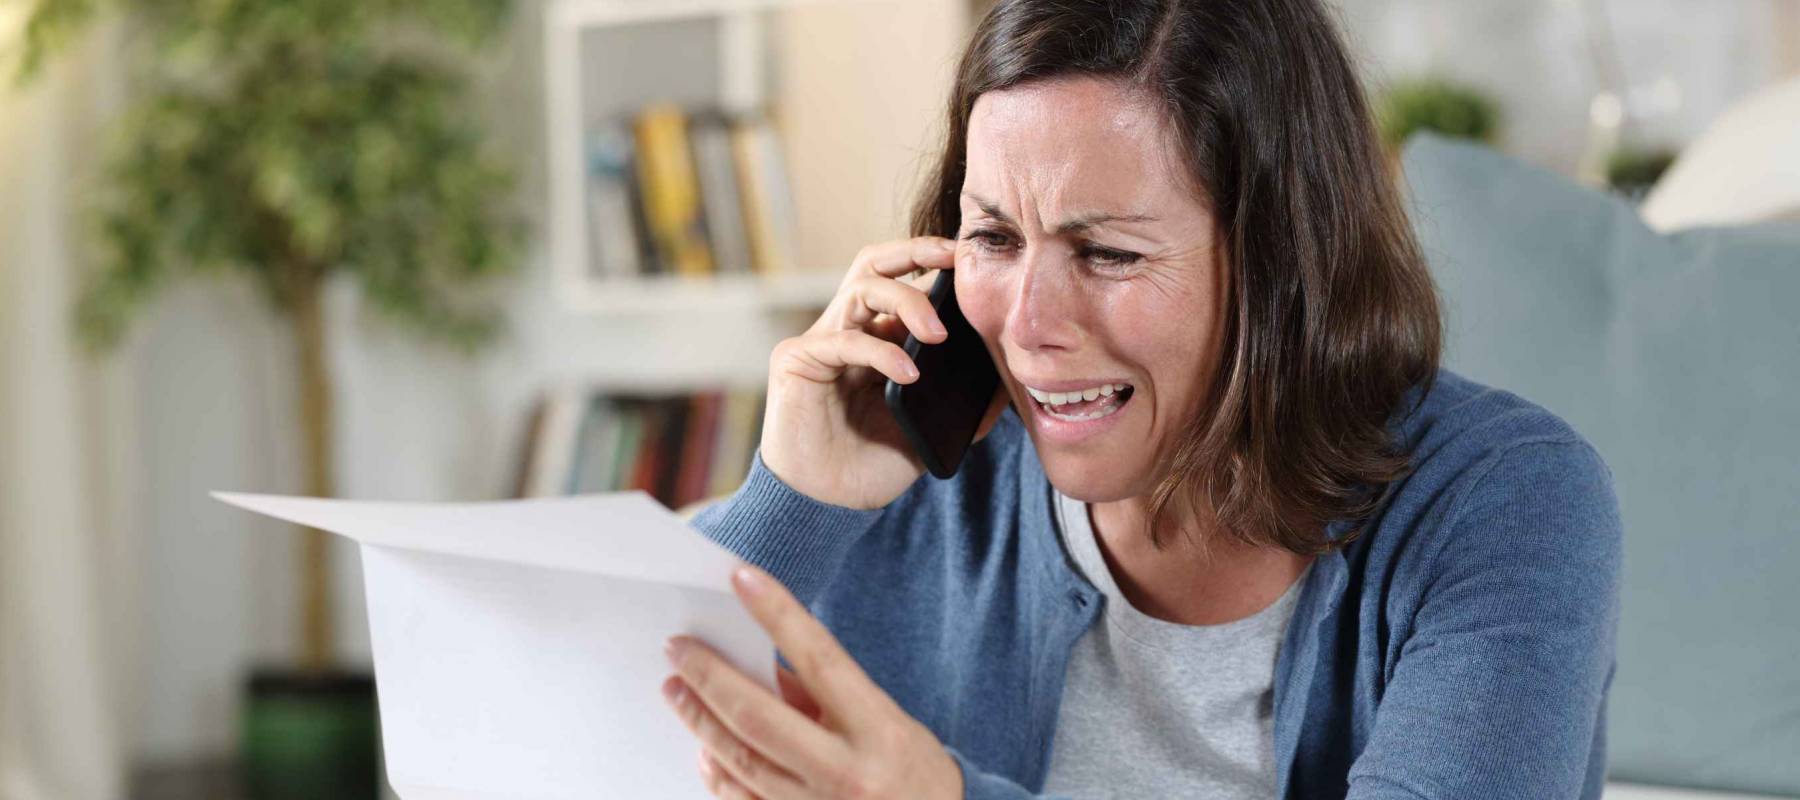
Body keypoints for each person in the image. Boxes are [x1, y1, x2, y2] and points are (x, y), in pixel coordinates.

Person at [656, 0, 1623, 797]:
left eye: (1108, 253)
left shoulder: (1508, 500)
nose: (1027, 324)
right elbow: (614, 741)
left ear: (1282, 268)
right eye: (994, 238)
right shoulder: (918, 469)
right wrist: (796, 499)